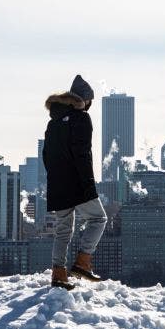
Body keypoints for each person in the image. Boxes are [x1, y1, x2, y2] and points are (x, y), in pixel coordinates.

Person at [43, 74, 108, 290]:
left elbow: (47, 155)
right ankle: (83, 261)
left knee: (63, 230)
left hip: (56, 184)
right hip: (77, 182)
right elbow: (82, 153)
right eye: (90, 100)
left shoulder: (53, 123)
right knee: (99, 219)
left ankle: (58, 274)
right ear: (84, 100)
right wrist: (87, 182)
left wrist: (55, 178)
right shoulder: (81, 119)